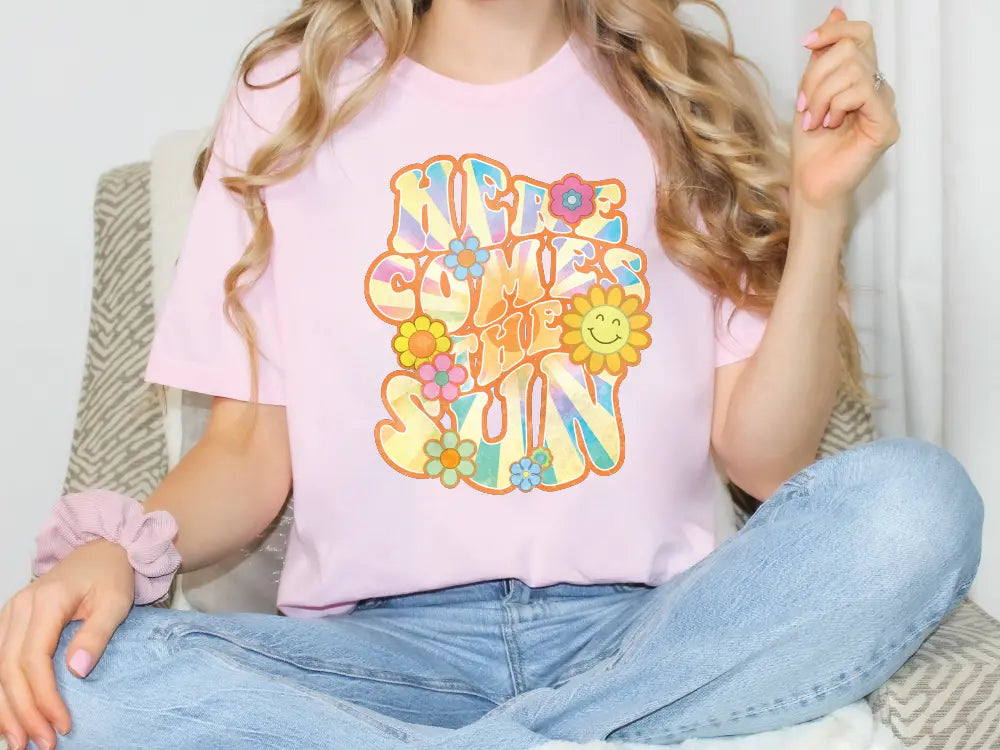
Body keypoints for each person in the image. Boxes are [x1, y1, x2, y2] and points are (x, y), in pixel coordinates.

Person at [0, 1, 983, 749]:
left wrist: (819, 212)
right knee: (72, 677)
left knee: (917, 503)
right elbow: (246, 453)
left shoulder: (686, 100)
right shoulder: (291, 95)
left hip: (646, 631)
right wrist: (123, 554)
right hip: (386, 658)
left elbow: (768, 464)